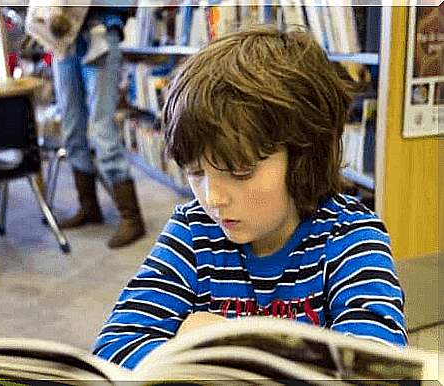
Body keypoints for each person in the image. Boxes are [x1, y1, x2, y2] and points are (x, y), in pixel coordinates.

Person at [92, 25, 407, 370]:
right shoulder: (193, 231)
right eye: (196, 172)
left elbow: (377, 365)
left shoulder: (352, 237)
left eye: (239, 172)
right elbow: (113, 347)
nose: (212, 198)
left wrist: (230, 352)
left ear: (303, 159)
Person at [49, 6, 145, 248]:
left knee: (103, 128)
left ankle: (131, 218)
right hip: (63, 33)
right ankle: (89, 207)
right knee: (70, 127)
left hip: (101, 26)